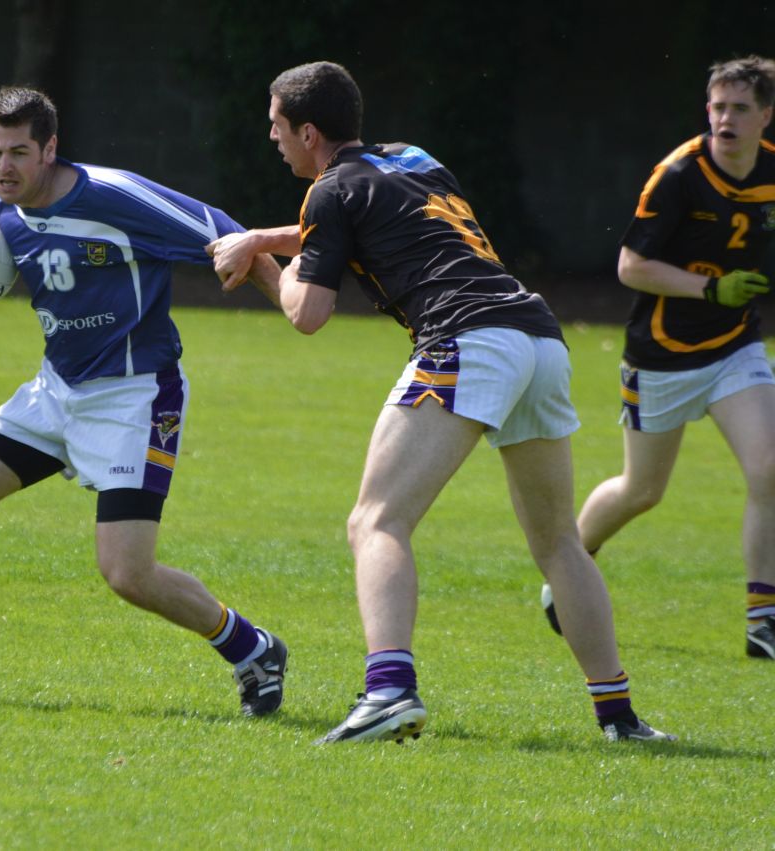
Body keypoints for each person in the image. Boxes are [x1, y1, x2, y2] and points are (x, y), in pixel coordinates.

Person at [209, 61, 675, 743]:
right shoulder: (411, 158)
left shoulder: (328, 194)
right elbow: (355, 216)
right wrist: (260, 235)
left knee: (375, 522)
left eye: (276, 125)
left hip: (467, 338)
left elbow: (307, 313)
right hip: (538, 337)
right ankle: (620, 717)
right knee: (558, 544)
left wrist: (258, 265)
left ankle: (389, 690)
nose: (271, 136)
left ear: (307, 131)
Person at [0, 86, 289, 718]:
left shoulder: (115, 198)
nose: (4, 167)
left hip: (134, 396)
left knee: (128, 574)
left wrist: (292, 303)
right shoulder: (0, 211)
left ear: (51, 148)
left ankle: (254, 648)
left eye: (20, 152)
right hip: (56, 392)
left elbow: (232, 236)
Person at [541, 56, 775, 661]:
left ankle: (763, 617)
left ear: (765, 116)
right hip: (663, 357)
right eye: (717, 106)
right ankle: (568, 571)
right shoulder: (677, 176)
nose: (725, 119)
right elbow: (630, 267)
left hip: (736, 349)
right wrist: (710, 288)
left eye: (740, 109)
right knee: (643, 490)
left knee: (770, 468)